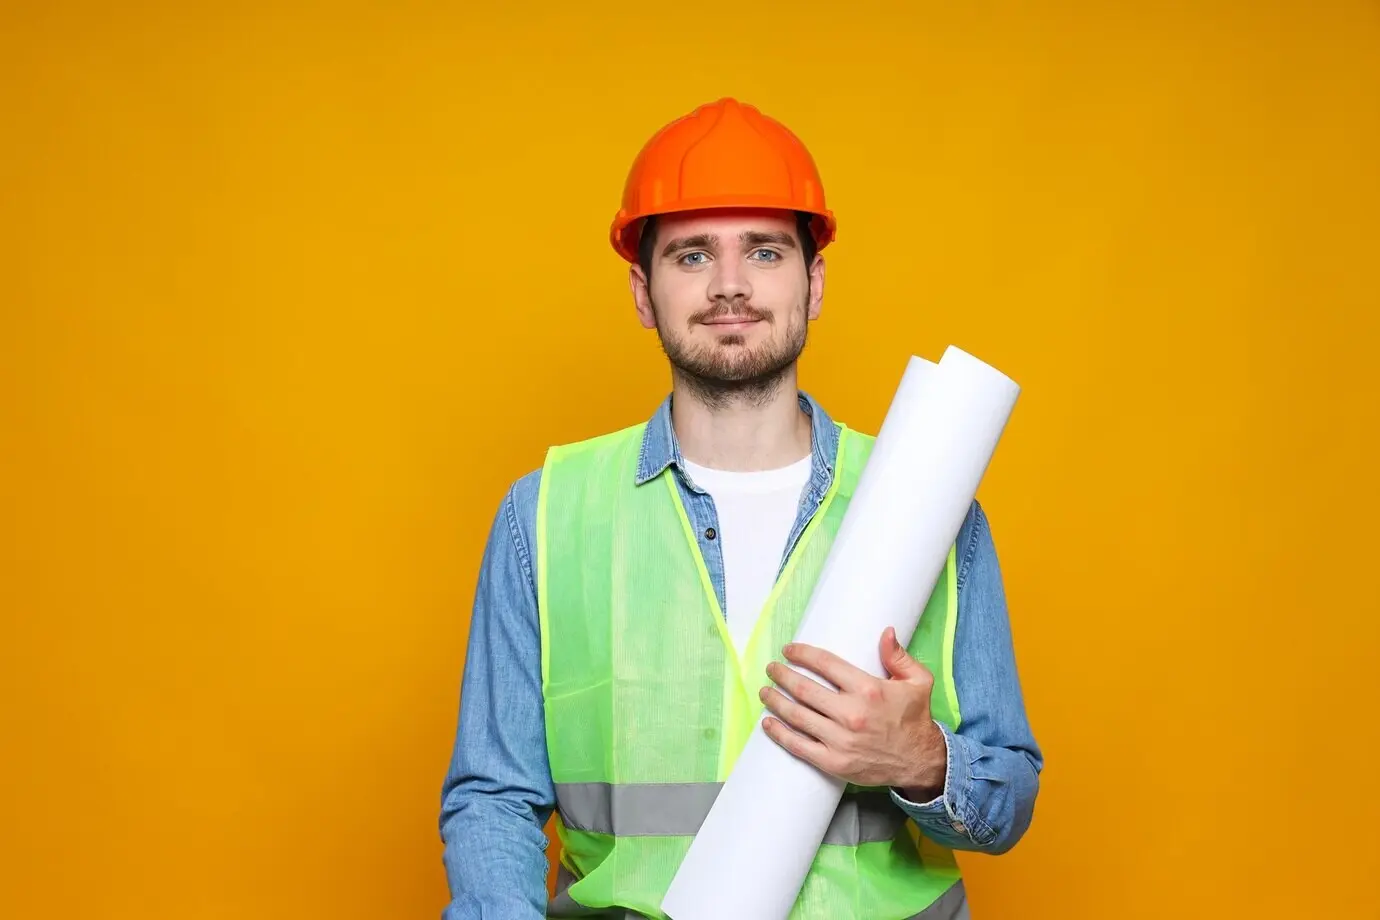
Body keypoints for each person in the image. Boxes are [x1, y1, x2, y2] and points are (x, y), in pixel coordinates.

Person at [438, 97, 1043, 920]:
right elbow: (493, 800)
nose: (730, 286)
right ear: (643, 291)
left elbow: (1009, 798)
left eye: (763, 251)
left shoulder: (928, 504)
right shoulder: (546, 515)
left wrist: (924, 759)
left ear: (814, 281)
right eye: (691, 256)